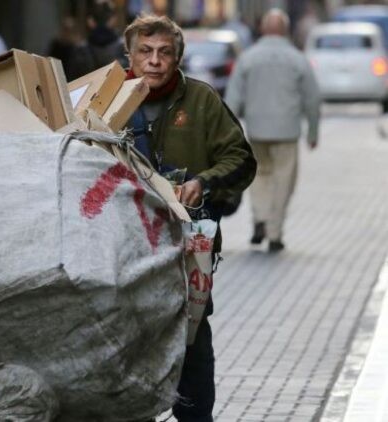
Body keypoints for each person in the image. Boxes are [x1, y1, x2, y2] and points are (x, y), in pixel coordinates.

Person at [123, 13, 257, 421]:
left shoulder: (201, 101)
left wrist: (205, 181)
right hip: (124, 251)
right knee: (127, 342)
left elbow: (242, 159)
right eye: (145, 52)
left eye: (165, 52)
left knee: (192, 343)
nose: (155, 61)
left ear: (177, 57)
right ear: (129, 55)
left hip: (186, 252)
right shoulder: (105, 99)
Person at [224, 8, 320, 253]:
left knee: (259, 176)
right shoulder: (297, 58)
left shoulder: (248, 58)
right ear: (285, 30)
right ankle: (275, 232)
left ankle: (260, 219)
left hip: (256, 130)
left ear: (263, 29)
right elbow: (312, 98)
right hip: (287, 131)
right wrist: (312, 131)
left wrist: (227, 133)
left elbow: (233, 98)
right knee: (283, 181)